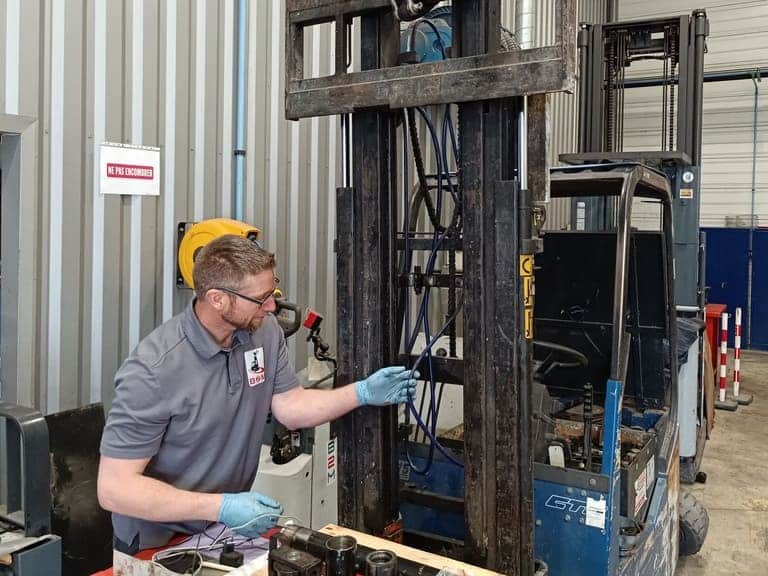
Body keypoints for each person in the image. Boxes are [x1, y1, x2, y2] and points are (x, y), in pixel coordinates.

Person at [97, 234, 417, 554]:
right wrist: (221, 507)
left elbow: (291, 406)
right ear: (218, 299)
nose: (272, 306)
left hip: (221, 529)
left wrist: (361, 393)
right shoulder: (153, 371)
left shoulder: (263, 333)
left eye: (272, 291)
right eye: (260, 298)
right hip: (157, 540)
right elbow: (115, 489)